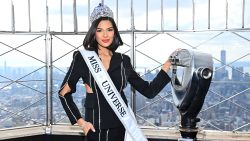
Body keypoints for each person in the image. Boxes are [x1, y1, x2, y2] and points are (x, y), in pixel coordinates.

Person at [58, 3, 174, 141]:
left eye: (110, 29)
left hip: (119, 127)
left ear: (115, 32)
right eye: (100, 30)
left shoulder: (123, 60)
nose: (105, 34)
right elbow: (63, 93)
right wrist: (81, 123)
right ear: (94, 33)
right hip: (94, 129)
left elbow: (148, 91)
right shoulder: (83, 58)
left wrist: (166, 66)